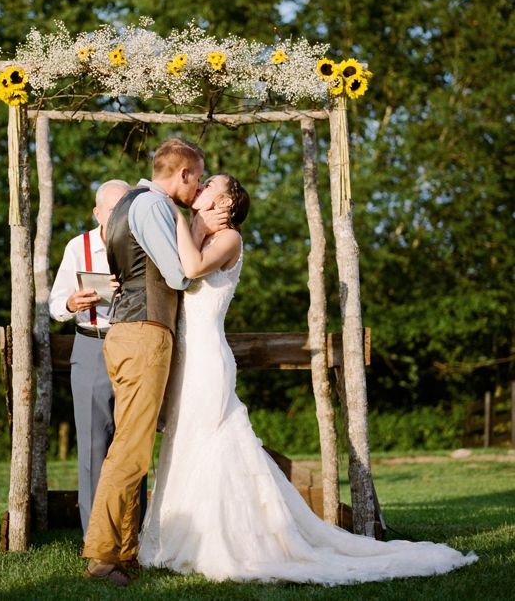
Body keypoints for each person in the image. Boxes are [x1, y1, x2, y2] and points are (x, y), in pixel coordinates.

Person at [138, 173, 478, 585]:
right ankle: (182, 537)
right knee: (183, 440)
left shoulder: (229, 239)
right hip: (185, 359)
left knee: (214, 441)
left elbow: (190, 268)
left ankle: (229, 542)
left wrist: (173, 215)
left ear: (226, 201)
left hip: (208, 360)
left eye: (211, 183)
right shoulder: (198, 231)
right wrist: (188, 224)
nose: (202, 186)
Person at [83, 138, 228, 587]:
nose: (199, 186)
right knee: (129, 448)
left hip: (130, 331)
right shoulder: (155, 205)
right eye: (198, 178)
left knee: (134, 445)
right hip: (144, 333)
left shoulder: (129, 203)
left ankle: (124, 551)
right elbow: (179, 273)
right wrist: (197, 233)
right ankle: (102, 556)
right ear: (182, 173)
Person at [49, 179, 130, 538]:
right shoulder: (77, 246)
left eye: (124, 207)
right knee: (94, 447)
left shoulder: (143, 243)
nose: (118, 215)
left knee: (132, 444)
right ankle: (94, 538)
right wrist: (72, 303)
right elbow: (55, 304)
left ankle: (131, 533)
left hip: (133, 346)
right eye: (112, 208)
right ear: (97, 212)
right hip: (91, 345)